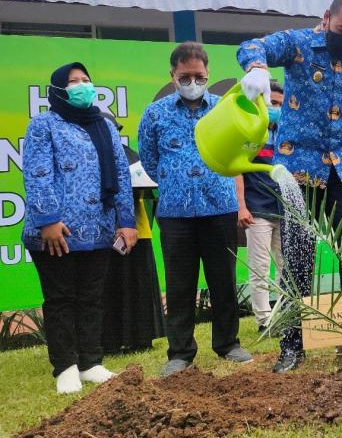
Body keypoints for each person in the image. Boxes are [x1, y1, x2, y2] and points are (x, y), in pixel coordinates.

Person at [237, 0, 342, 372]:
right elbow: (251, 44)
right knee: (298, 258)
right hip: (299, 172)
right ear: (326, 18)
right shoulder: (299, 44)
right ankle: (293, 344)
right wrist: (257, 67)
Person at [138, 42, 252, 377]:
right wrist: (177, 182)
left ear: (208, 74)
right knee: (179, 283)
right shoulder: (155, 113)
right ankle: (181, 352)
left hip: (220, 207)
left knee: (224, 280)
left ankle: (228, 344)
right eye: (184, 76)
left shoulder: (224, 108)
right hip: (175, 213)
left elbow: (237, 152)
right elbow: (149, 159)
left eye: (198, 76)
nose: (192, 82)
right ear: (172, 75)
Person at [22, 63, 137, 394]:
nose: (82, 86)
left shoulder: (104, 125)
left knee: (91, 297)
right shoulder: (44, 124)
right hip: (57, 231)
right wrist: (47, 220)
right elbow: (38, 172)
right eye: (73, 82)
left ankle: (90, 362)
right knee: (61, 298)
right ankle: (65, 367)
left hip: (99, 229)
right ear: (58, 89)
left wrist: (126, 221)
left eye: (86, 80)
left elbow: (121, 173)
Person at [100, 114, 165, 354]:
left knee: (139, 285)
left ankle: (143, 339)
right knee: (109, 287)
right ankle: (109, 341)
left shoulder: (132, 156)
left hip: (136, 232)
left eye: (114, 129)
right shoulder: (89, 157)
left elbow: (151, 191)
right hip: (103, 233)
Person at [235, 80, 285, 331]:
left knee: (287, 266)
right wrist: (242, 206)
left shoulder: (287, 134)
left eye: (279, 104)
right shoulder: (250, 133)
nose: (275, 108)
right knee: (260, 267)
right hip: (257, 209)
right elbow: (238, 171)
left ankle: (287, 316)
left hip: (285, 210)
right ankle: (265, 321)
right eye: (271, 103)